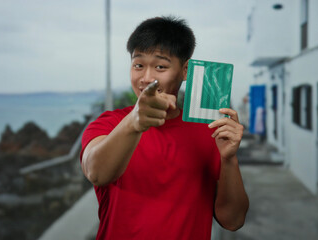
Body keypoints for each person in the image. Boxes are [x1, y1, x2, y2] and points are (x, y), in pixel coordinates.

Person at [80, 16, 249, 240]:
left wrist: (229, 159)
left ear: (185, 70)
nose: (146, 78)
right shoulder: (109, 123)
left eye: (160, 66)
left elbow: (233, 221)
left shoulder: (210, 130)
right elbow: (96, 173)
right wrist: (134, 122)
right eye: (138, 65)